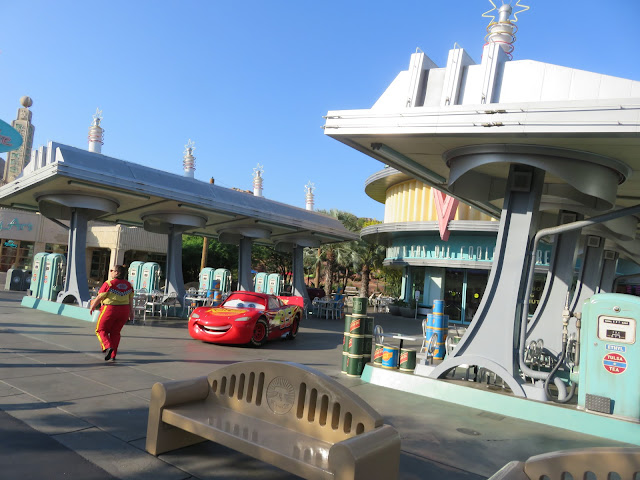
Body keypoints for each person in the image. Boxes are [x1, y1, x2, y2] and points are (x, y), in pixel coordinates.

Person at [89, 265, 134, 361]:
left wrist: (93, 306)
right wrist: (131, 312)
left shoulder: (109, 283)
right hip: (124, 310)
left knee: (100, 330)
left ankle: (107, 346)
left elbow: (100, 297)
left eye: (112, 270)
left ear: (117, 272)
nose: (110, 272)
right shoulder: (129, 285)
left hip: (110, 309)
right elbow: (131, 300)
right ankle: (113, 354)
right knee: (115, 332)